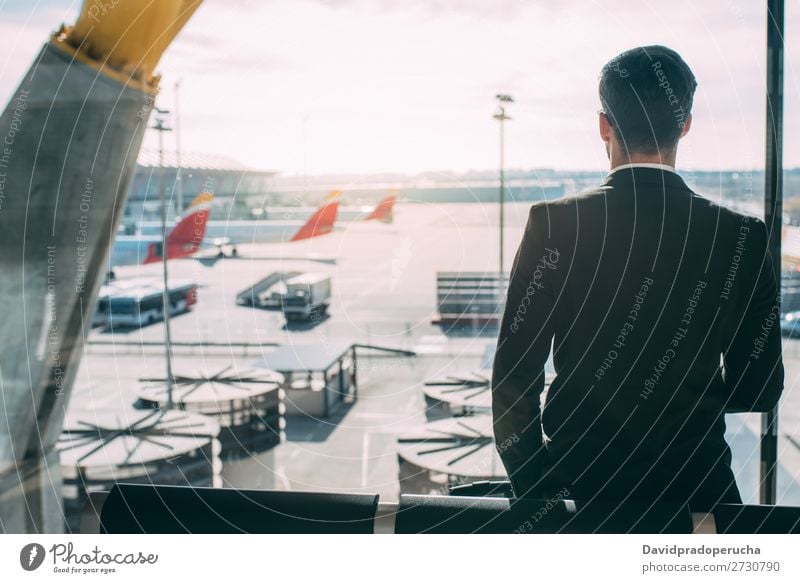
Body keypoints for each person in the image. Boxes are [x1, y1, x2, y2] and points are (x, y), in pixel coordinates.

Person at [492, 45, 784, 511]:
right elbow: (761, 387)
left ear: (604, 125)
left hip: (579, 492)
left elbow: (513, 379)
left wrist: (537, 494)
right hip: (699, 500)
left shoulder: (555, 224)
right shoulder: (742, 237)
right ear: (685, 125)